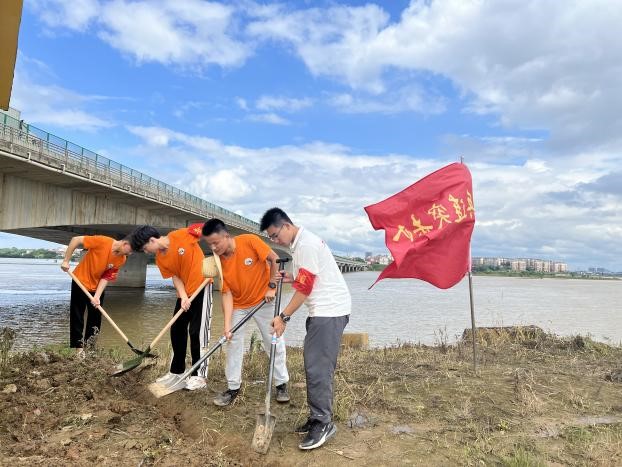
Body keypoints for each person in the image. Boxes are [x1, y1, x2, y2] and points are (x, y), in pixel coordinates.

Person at [259, 208, 351, 451]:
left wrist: (283, 316)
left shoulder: (306, 245)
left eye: (275, 235)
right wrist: (292, 277)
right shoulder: (299, 245)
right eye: (271, 238)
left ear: (287, 225)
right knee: (313, 364)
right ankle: (316, 417)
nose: (275, 241)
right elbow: (306, 278)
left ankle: (323, 423)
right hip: (322, 311)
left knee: (318, 368)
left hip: (329, 311)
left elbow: (305, 288)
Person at [201, 218, 290, 406]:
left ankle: (281, 383)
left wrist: (272, 287)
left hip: (264, 300)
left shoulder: (249, 241)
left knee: (273, 340)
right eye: (210, 245)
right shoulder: (218, 261)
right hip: (239, 305)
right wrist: (227, 326)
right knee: (232, 342)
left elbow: (274, 258)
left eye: (216, 243)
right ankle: (233, 387)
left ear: (226, 236)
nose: (214, 248)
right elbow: (226, 294)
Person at [129, 224, 212, 391]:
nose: (146, 252)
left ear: (152, 240)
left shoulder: (182, 235)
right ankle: (177, 371)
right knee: (177, 329)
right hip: (185, 293)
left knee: (197, 333)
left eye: (145, 248)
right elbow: (175, 277)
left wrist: (217, 248)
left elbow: (209, 228)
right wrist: (183, 296)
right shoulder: (160, 259)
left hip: (202, 286)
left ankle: (199, 376)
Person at [61, 234, 133, 358]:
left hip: (97, 287)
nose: (129, 254)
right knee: (77, 316)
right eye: (129, 251)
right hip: (80, 281)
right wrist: (66, 260)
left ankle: (90, 349)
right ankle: (79, 351)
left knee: (95, 318)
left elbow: (106, 276)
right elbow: (76, 239)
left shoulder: (122, 259)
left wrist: (97, 296)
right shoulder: (102, 241)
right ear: (125, 243)